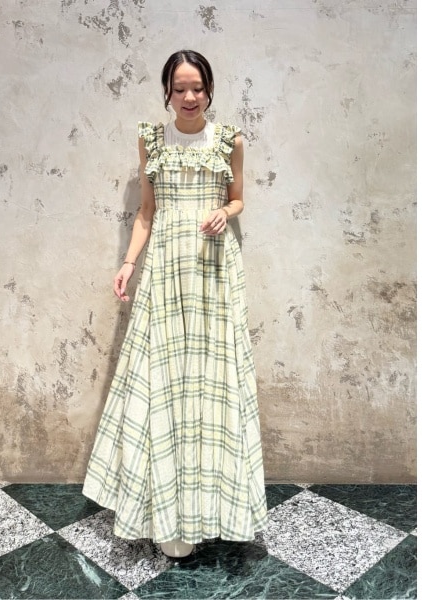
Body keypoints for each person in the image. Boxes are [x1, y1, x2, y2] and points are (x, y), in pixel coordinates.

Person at [82, 49, 267, 558]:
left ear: (210, 90)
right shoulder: (151, 140)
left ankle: (212, 508)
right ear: (167, 91)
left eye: (198, 88)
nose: (189, 97)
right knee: (161, 383)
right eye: (180, 88)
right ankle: (164, 510)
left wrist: (225, 212)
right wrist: (128, 263)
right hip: (165, 270)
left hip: (213, 270)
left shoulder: (230, 140)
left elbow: (239, 197)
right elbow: (146, 211)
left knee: (211, 382)